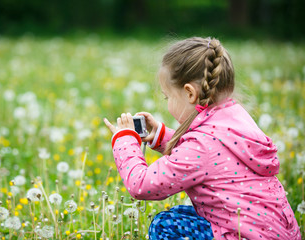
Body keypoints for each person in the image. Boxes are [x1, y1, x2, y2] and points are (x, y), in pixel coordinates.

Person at [103, 37, 301, 240]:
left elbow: (142, 185)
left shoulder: (201, 147)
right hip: (277, 232)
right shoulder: (236, 117)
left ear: (189, 93)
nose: (167, 103)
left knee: (165, 225)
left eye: (167, 96)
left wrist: (125, 141)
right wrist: (162, 137)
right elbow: (214, 156)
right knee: (180, 214)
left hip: (245, 235)